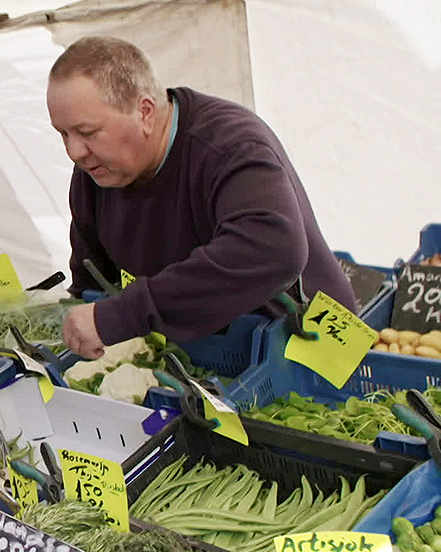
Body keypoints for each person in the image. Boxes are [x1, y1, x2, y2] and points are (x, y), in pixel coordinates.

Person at [47, 36, 356, 359]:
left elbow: (274, 248)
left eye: (87, 132)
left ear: (145, 113)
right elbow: (92, 281)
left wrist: (122, 315)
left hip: (310, 347)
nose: (74, 152)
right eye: (62, 134)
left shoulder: (229, 145)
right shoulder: (95, 173)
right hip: (199, 351)